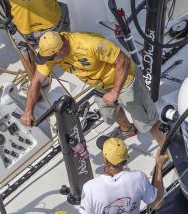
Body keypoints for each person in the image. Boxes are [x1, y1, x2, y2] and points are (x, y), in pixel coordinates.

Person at [20, 31, 166, 146]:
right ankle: (127, 130)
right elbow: (36, 82)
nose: (49, 62)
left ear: (59, 52)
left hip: (125, 80)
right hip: (100, 86)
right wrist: (28, 111)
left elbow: (124, 61)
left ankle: (165, 148)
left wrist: (115, 91)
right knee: (110, 113)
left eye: (51, 59)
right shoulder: (52, 52)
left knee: (147, 121)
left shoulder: (89, 44)